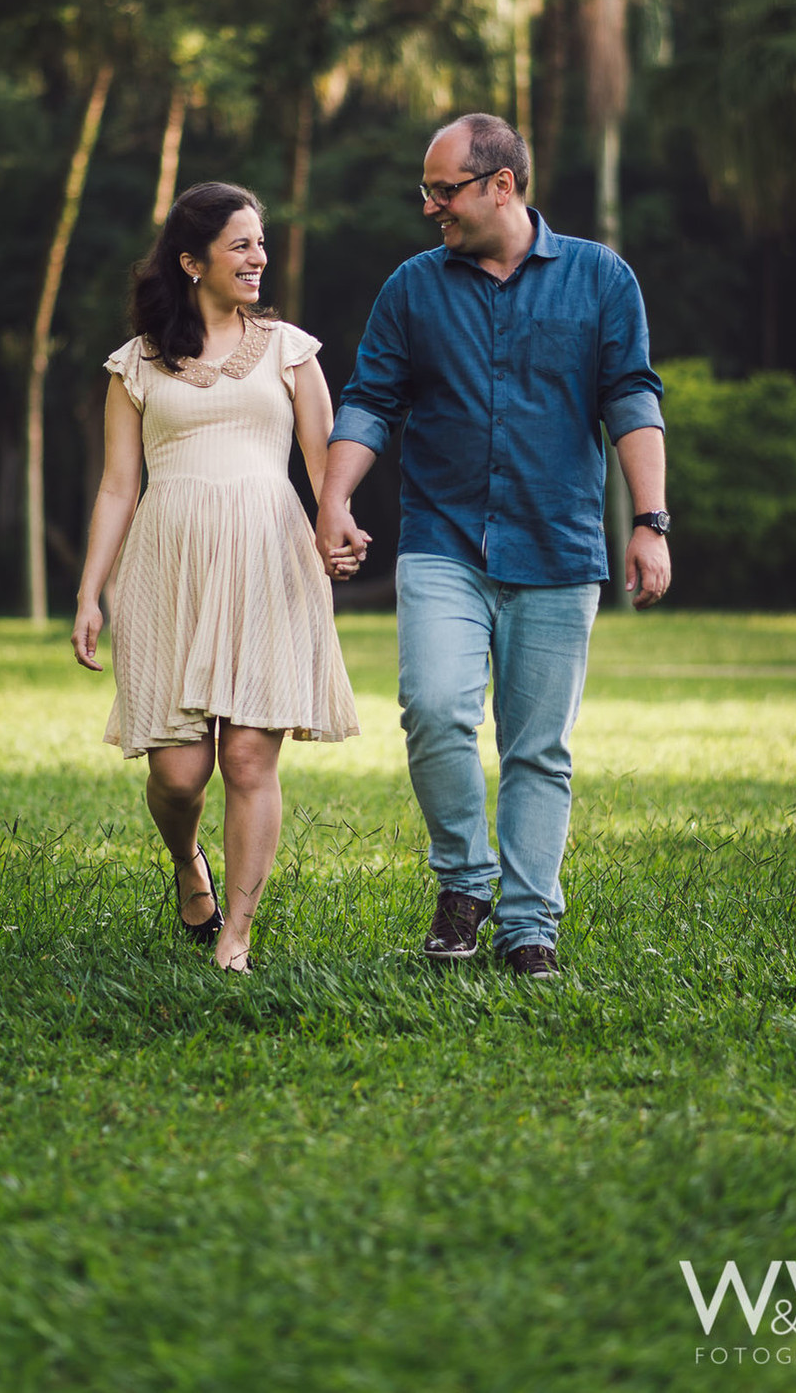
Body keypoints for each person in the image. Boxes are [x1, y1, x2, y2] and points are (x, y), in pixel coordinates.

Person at [314, 114, 670, 979]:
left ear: (501, 185)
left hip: (559, 544)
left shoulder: (600, 277)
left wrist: (650, 519)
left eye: (444, 190)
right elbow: (370, 400)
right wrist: (333, 497)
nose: (430, 206)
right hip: (444, 540)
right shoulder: (412, 287)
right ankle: (465, 883)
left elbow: (630, 397)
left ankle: (528, 925)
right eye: (426, 191)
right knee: (435, 708)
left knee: (538, 748)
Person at [72, 182, 361, 973]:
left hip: (268, 561)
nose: (259, 257)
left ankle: (236, 935)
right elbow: (117, 487)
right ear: (192, 261)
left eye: (261, 243)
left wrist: (337, 528)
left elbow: (323, 466)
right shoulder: (136, 364)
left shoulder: (291, 351)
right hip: (169, 569)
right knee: (178, 775)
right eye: (241, 245)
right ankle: (186, 862)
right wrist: (90, 592)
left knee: (246, 761)